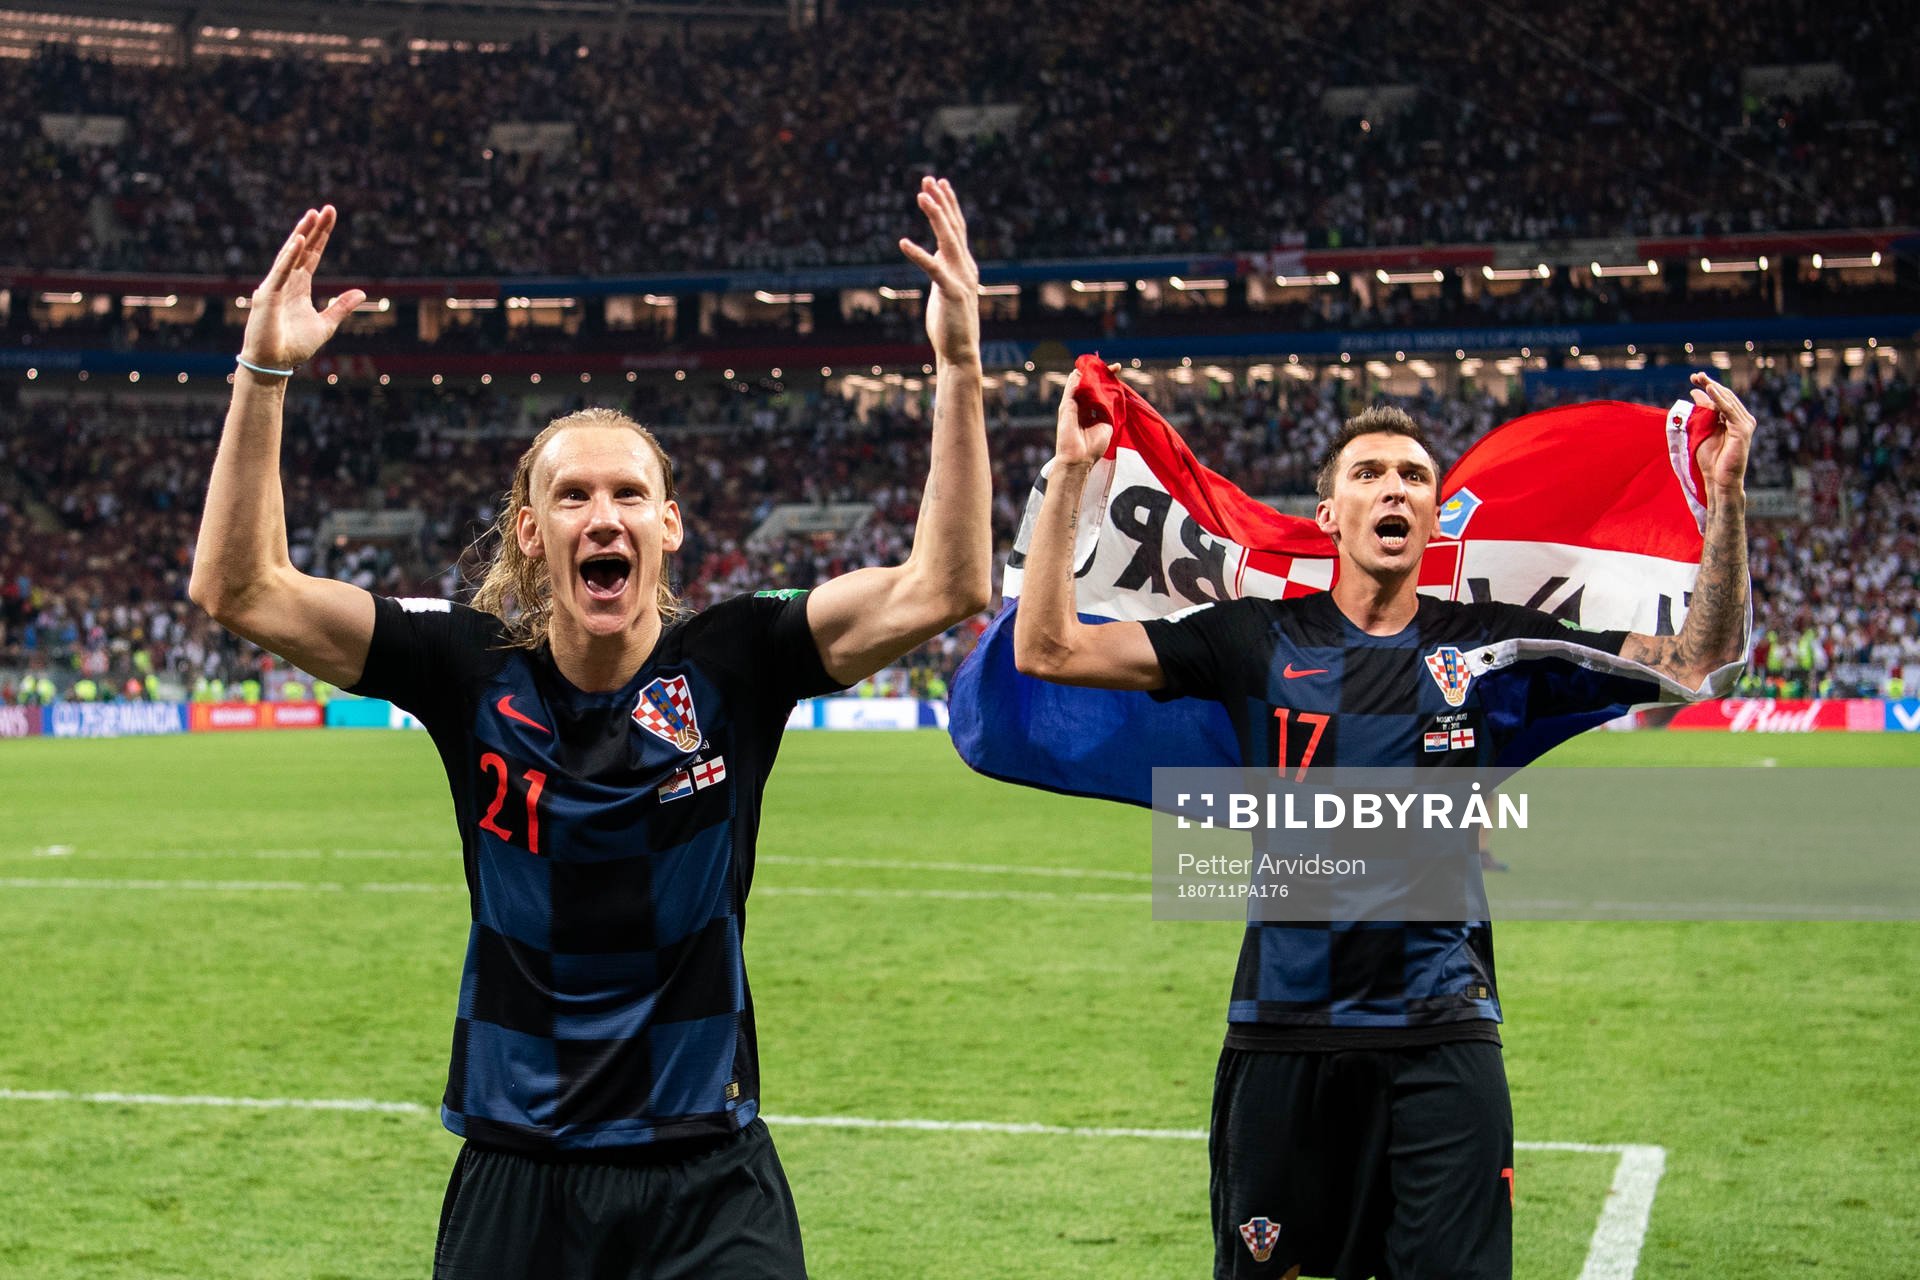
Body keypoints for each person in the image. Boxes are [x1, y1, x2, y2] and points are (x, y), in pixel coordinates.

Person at [189, 179, 989, 1279]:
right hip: (519, 1171)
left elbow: (947, 583)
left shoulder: (738, 660)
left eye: (629, 494)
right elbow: (239, 587)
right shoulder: (467, 669)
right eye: (572, 496)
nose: (602, 515)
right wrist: (263, 372)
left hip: (706, 1173)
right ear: (531, 530)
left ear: (669, 524)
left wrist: (959, 364)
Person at [1013, 375, 1753, 1279]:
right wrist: (1069, 471)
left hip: (1443, 1030)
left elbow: (1698, 660)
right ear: (1329, 515)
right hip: (1283, 1027)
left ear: (1436, 518)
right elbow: (1047, 646)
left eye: (1412, 476)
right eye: (1368, 474)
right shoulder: (1253, 638)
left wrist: (1725, 495)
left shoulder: (1494, 643)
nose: (1393, 488)